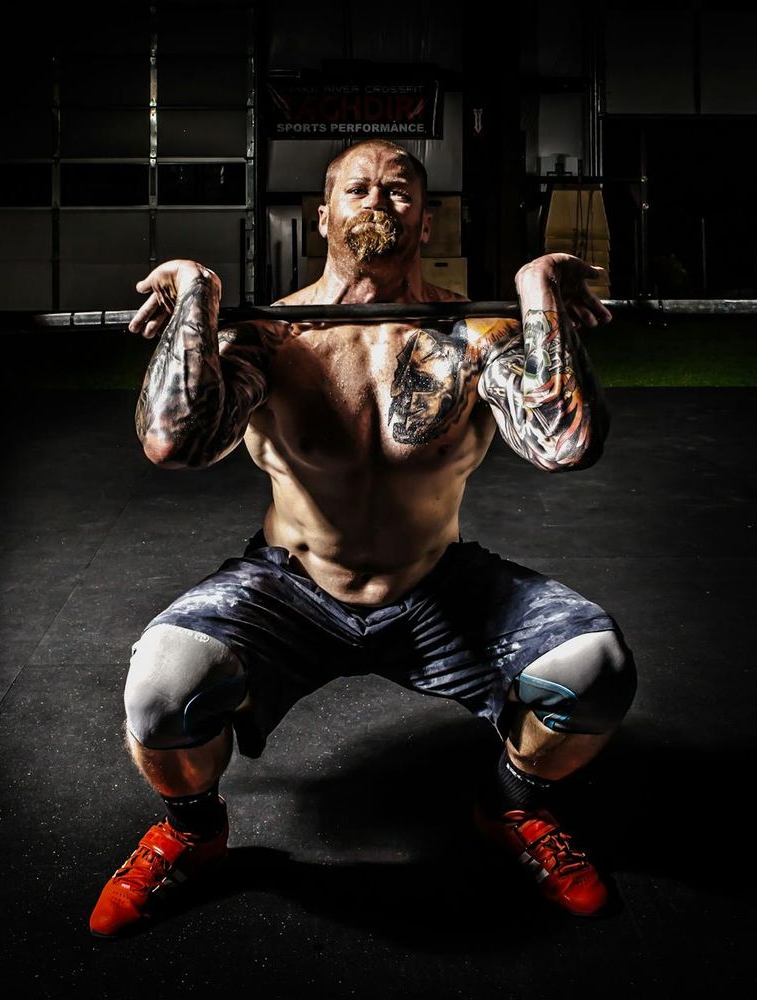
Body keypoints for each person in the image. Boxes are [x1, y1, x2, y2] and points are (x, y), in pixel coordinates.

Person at [89, 139, 636, 938]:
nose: (377, 202)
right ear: (324, 215)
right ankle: (193, 831)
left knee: (597, 669)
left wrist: (536, 294)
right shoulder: (272, 337)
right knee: (160, 691)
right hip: (291, 587)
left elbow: (565, 443)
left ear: (426, 215)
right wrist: (196, 300)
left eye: (399, 189)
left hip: (436, 583)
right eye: (357, 189)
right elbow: (175, 441)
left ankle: (513, 809)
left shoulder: (472, 330)